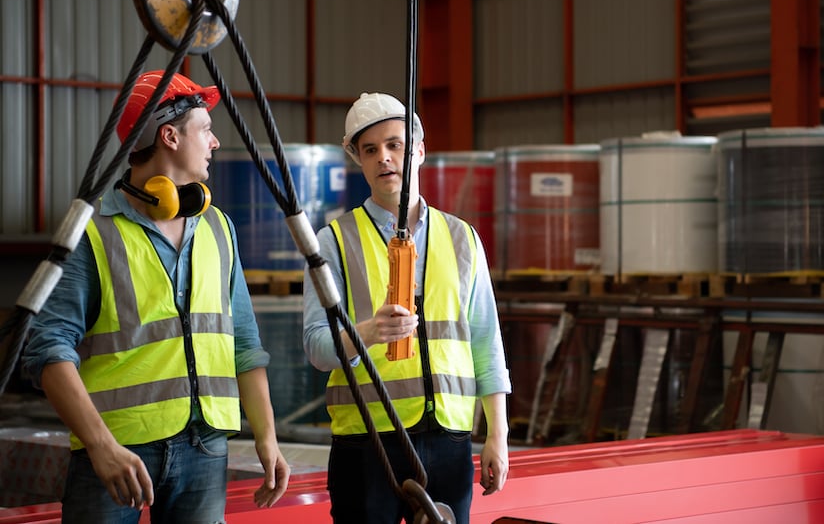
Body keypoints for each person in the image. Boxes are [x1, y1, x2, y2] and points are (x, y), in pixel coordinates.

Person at [22, 70, 290, 523]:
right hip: (116, 452)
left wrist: (267, 436)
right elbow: (47, 350)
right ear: (169, 135)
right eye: (205, 129)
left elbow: (244, 343)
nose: (216, 142)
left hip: (205, 446)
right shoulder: (93, 232)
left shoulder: (218, 228)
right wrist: (101, 446)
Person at [302, 92, 511, 524]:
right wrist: (367, 333)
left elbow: (486, 341)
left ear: (418, 150)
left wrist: (498, 435)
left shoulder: (462, 239)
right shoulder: (333, 242)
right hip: (367, 443)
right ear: (357, 159)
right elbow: (318, 350)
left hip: (449, 443)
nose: (384, 158)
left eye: (394, 145)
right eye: (371, 150)